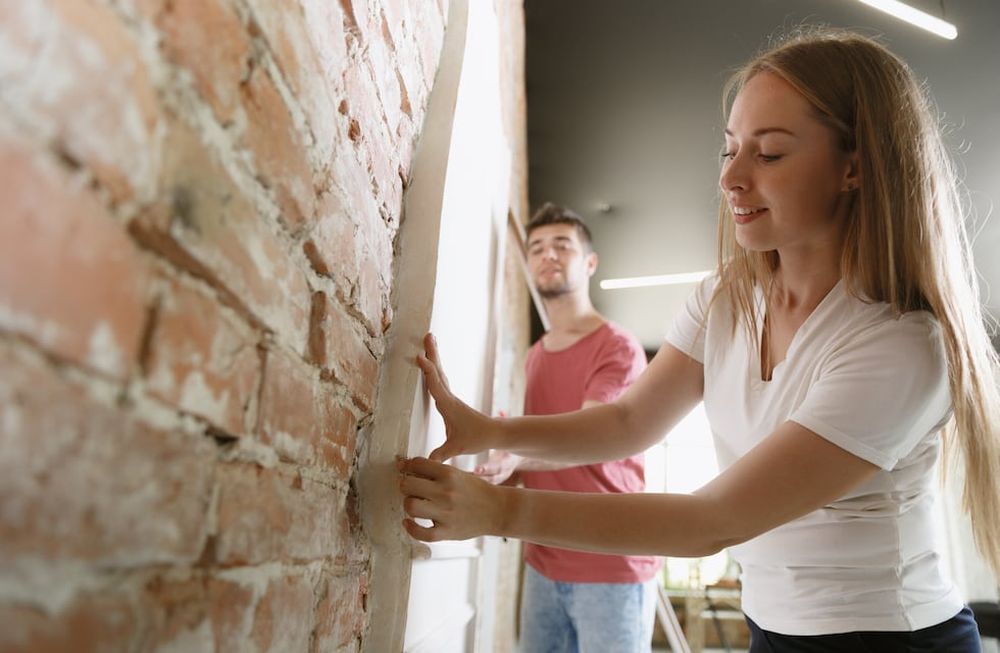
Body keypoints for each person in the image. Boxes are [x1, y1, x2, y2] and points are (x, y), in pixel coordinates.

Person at [399, 29, 1000, 652]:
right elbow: (628, 421)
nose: (732, 177)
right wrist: (490, 431)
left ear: (854, 167)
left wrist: (499, 512)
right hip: (773, 629)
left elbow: (714, 520)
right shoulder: (725, 298)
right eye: (729, 149)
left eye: (769, 154)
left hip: (891, 640)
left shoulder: (901, 345)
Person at [476, 202, 660, 653]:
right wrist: (508, 467)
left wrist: (514, 454)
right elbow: (538, 449)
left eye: (562, 245)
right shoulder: (536, 355)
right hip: (543, 560)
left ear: (590, 262)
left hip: (609, 564)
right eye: (537, 247)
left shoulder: (617, 347)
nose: (548, 255)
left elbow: (589, 438)